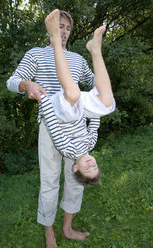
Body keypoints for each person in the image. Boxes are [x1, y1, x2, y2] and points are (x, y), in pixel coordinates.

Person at [6, 8, 105, 248]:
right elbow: (12, 81)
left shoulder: (77, 60)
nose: (64, 31)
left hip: (78, 125)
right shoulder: (36, 54)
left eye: (68, 28)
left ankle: (67, 228)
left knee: (74, 181)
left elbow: (95, 83)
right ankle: (49, 231)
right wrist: (26, 83)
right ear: (50, 28)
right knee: (49, 180)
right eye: (60, 26)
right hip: (50, 127)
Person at [40, 9, 115, 186]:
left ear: (76, 168)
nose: (91, 164)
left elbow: (54, 128)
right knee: (107, 104)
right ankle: (95, 50)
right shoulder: (91, 143)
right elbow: (95, 120)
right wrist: (99, 98)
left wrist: (45, 102)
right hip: (78, 109)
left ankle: (55, 40)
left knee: (73, 93)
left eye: (87, 169)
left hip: (59, 113)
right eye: (95, 166)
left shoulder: (68, 150)